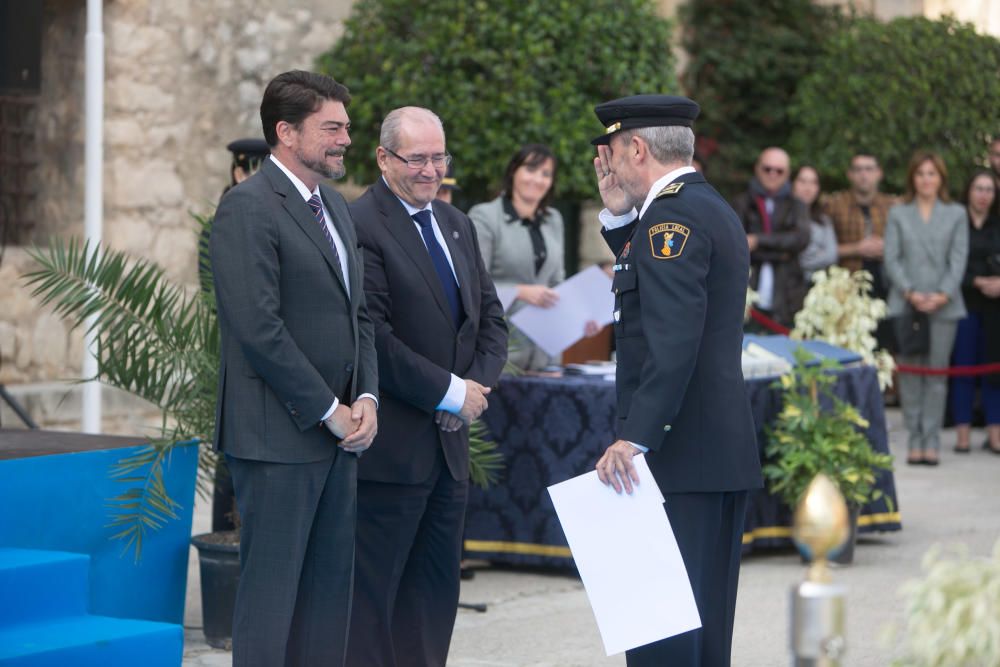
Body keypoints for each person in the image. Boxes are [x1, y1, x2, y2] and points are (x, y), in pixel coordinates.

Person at [209, 70, 379, 667]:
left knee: (328, 600)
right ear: (285, 131)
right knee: (271, 603)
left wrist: (367, 400)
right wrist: (328, 410)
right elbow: (258, 328)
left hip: (340, 439)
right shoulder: (246, 208)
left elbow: (359, 313)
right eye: (331, 128)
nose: (345, 140)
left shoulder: (334, 203)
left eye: (347, 128)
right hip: (278, 439)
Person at [590, 94, 763, 667]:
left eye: (613, 154)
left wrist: (635, 437)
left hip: (677, 455)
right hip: (709, 451)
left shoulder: (670, 218)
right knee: (702, 629)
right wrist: (618, 218)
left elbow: (672, 341)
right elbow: (655, 289)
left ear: (637, 148)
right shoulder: (701, 205)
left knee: (661, 635)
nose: (609, 167)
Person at [346, 106, 508, 667]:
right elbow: (374, 337)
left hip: (449, 451)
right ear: (384, 159)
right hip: (392, 454)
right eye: (418, 158)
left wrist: (473, 390)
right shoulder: (360, 225)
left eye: (439, 157)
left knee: (435, 597)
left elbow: (490, 321)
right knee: (374, 600)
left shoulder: (456, 223)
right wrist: (446, 392)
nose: (431, 170)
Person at [884, 151, 968, 465]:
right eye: (920, 174)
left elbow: (958, 258)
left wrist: (942, 294)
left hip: (944, 306)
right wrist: (910, 292)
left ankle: (932, 439)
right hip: (907, 304)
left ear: (941, 178)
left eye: (932, 173)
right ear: (912, 178)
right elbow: (891, 257)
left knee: (936, 374)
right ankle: (915, 439)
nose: (926, 180)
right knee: (910, 375)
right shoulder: (899, 213)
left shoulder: (956, 213)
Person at [468, 144, 571, 370]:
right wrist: (519, 292)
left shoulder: (553, 220)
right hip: (500, 354)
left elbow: (557, 284)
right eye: (531, 169)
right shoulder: (484, 217)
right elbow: (472, 285)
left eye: (546, 174)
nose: (537, 179)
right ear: (514, 171)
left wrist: (578, 319)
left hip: (546, 354)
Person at [731, 147, 810, 328]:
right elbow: (737, 244)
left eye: (779, 170)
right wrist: (781, 251)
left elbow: (801, 239)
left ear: (787, 174)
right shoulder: (741, 202)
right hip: (748, 292)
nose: (772, 174)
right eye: (767, 169)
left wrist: (758, 241)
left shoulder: (797, 205)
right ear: (757, 169)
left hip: (787, 296)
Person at [950, 170, 1000, 454]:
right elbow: (949, 262)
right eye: (978, 188)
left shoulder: (998, 224)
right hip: (963, 303)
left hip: (995, 307)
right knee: (963, 368)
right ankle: (963, 434)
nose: (983, 195)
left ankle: (995, 434)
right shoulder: (956, 223)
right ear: (968, 191)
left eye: (989, 189)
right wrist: (976, 281)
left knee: (994, 370)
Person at [793, 164, 838, 282]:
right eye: (802, 181)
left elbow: (831, 255)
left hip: (817, 287)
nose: (808, 187)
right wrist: (817, 252)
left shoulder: (824, 220)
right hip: (788, 287)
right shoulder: (783, 216)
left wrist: (803, 256)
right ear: (792, 183)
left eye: (813, 182)